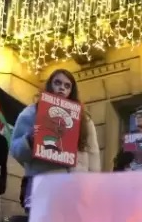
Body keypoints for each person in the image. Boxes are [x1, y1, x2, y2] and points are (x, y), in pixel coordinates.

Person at [11, 69, 101, 211]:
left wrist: (91, 189)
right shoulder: (31, 112)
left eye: (67, 86)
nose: (62, 88)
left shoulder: (84, 120)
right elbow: (16, 150)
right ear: (50, 85)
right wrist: (29, 140)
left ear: (71, 91)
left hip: (75, 190)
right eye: (57, 83)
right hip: (42, 186)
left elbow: (93, 155)